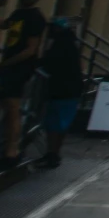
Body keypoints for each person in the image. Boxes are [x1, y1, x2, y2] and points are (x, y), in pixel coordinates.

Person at [0, 0, 49, 168]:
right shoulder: (18, 14)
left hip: (20, 68)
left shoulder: (36, 17)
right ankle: (4, 144)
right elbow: (4, 25)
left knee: (13, 108)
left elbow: (31, 49)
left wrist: (6, 63)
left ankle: (12, 150)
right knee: (6, 106)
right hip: (10, 66)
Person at [37, 19, 85, 168]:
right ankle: (54, 153)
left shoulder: (59, 45)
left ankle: (52, 153)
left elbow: (49, 63)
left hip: (60, 90)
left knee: (53, 124)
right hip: (72, 89)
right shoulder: (72, 44)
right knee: (62, 123)